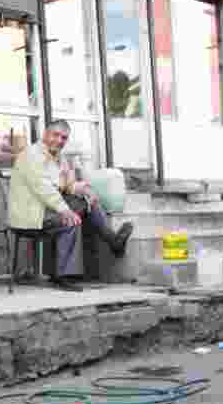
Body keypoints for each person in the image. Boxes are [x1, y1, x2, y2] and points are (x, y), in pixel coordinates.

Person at [8, 119, 134, 291]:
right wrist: (66, 210)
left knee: (88, 201)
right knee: (70, 220)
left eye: (64, 138)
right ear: (45, 134)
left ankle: (113, 242)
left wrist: (85, 190)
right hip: (30, 214)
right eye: (56, 135)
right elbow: (43, 188)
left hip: (48, 208)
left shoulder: (59, 158)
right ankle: (61, 276)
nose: (59, 141)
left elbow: (69, 184)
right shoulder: (31, 155)